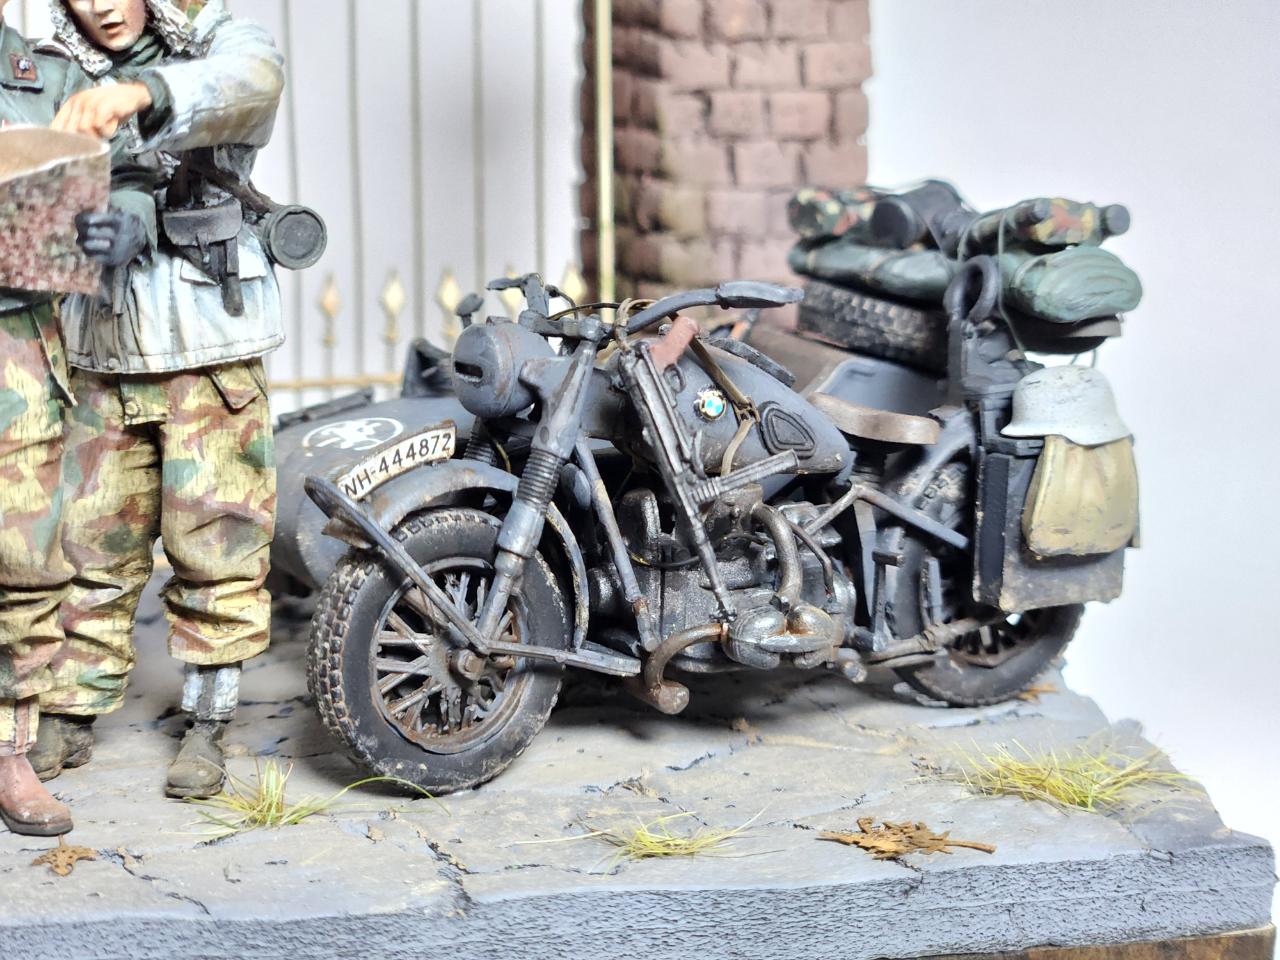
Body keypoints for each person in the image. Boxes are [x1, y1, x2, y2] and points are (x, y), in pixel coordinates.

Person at [29, 0, 286, 800]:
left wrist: (141, 93)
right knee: (89, 543)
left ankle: (210, 718)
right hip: (102, 348)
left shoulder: (216, 40)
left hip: (207, 347)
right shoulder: (53, 70)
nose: (101, 6)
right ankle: (72, 708)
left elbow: (254, 82)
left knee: (218, 543)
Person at [0, 0, 93, 836]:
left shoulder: (51, 80)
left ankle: (10, 750)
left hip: (16, 345)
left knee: (24, 558)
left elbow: (116, 185)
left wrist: (109, 226)